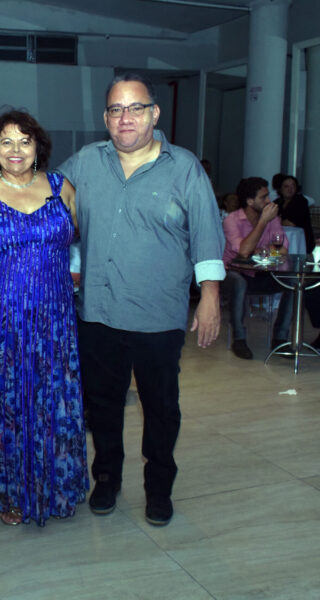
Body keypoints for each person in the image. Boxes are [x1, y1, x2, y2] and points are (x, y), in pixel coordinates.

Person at [57, 72, 225, 526]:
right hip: (98, 311)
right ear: (105, 118)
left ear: (154, 113)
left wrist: (210, 296)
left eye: (135, 108)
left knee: (161, 408)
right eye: (116, 109)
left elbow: (206, 234)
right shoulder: (86, 162)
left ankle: (159, 488)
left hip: (158, 314)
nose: (125, 118)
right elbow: (39, 193)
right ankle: (106, 478)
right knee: (103, 405)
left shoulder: (184, 167)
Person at [0, 110, 88, 526]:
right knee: (6, 402)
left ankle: (55, 484)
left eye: (24, 141)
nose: (16, 150)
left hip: (54, 317)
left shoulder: (61, 188)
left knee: (51, 398)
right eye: (6, 142)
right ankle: (10, 490)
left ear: (38, 147)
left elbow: (82, 238)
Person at [222, 177, 293, 360]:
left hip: (261, 273)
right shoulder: (232, 220)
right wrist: (262, 222)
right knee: (239, 283)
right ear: (250, 201)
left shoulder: (273, 219)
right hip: (232, 273)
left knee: (293, 282)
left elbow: (283, 249)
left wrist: (262, 249)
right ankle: (239, 339)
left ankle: (280, 338)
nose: (269, 201)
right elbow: (244, 251)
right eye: (264, 197)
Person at [274, 175, 315, 254]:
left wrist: (277, 221)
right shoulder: (277, 202)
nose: (290, 189)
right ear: (281, 189)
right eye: (286, 186)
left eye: (293, 186)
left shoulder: (301, 201)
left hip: (300, 239)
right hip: (280, 238)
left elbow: (290, 223)